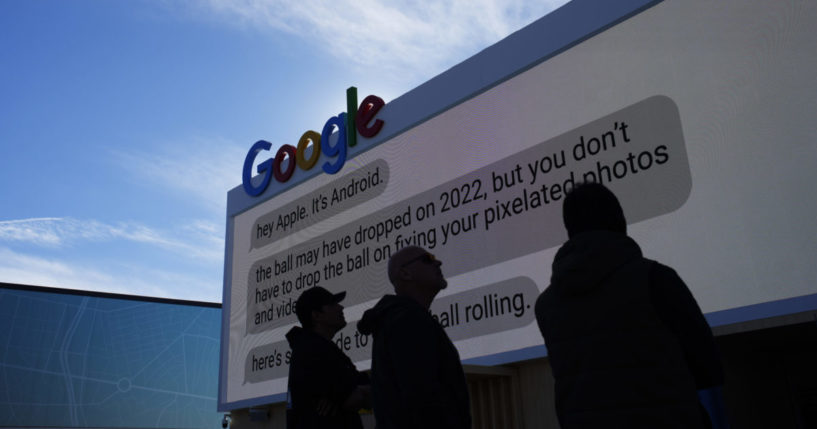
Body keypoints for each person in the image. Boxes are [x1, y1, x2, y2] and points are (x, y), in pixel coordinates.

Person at [535, 182, 725, 428]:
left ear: (570, 229)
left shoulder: (546, 306)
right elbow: (707, 368)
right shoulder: (655, 279)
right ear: (620, 221)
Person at [357, 246, 471, 429]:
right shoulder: (407, 321)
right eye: (427, 259)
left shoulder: (401, 319)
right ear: (405, 273)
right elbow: (421, 396)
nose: (438, 262)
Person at [286, 286, 371, 429]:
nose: (341, 307)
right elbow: (353, 398)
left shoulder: (323, 348)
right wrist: (357, 393)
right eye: (332, 304)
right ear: (316, 315)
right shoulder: (312, 350)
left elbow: (358, 390)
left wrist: (343, 396)